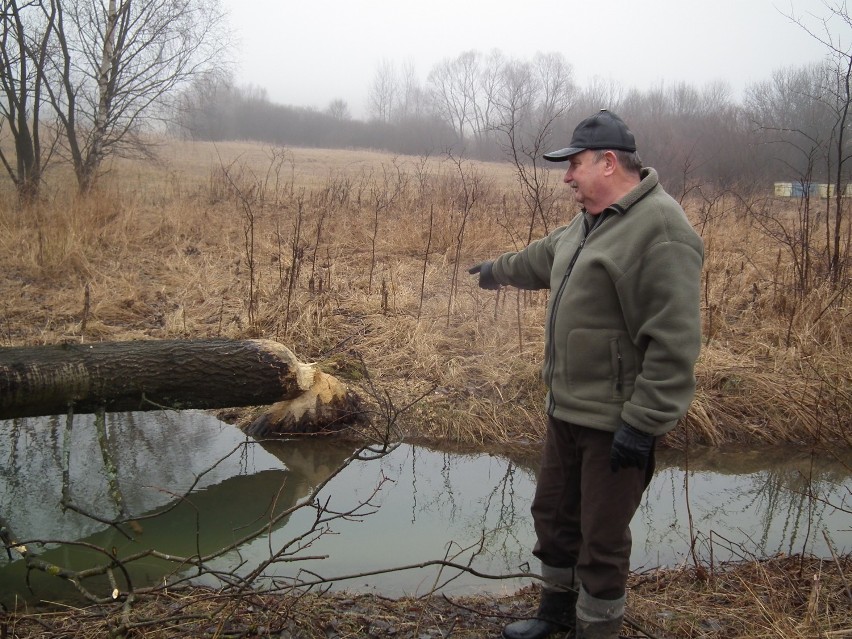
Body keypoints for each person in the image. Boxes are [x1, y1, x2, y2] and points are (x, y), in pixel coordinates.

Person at [469, 109, 703, 639]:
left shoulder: (661, 230)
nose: (567, 177)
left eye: (575, 164)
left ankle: (596, 630)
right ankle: (555, 615)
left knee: (600, 540)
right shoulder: (590, 219)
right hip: (567, 408)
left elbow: (674, 342)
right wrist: (495, 271)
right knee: (554, 518)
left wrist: (642, 424)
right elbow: (544, 256)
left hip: (616, 421)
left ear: (608, 162)